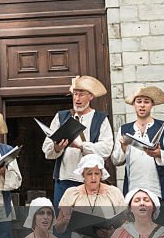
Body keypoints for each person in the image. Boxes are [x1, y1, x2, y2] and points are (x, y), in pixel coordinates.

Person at [42, 76, 113, 209]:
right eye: (75, 94)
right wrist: (57, 148)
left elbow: (106, 149)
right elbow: (47, 150)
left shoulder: (100, 118)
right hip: (64, 180)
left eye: (81, 94)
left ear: (91, 96)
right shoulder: (61, 116)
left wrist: (81, 146)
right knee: (63, 223)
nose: (77, 98)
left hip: (91, 181)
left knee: (89, 223)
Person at [112, 85, 164, 200]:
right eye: (139, 101)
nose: (142, 105)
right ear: (134, 104)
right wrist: (123, 148)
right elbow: (116, 160)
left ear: (152, 104)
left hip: (158, 190)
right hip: (132, 190)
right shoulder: (124, 129)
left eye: (146, 102)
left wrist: (160, 154)